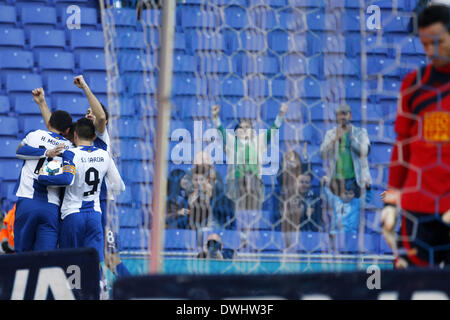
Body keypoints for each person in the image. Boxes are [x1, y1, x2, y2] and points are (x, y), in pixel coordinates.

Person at [381, 3, 450, 268]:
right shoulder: (413, 85)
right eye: (425, 44)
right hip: (418, 208)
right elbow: (402, 146)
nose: (432, 51)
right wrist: (391, 202)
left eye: (439, 42)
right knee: (414, 287)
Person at [37, 118, 125, 267]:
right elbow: (119, 186)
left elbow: (66, 179)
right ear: (94, 137)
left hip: (72, 215)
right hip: (95, 215)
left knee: (71, 262)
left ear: (75, 134)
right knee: (94, 261)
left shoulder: (70, 154)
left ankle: (75, 290)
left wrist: (43, 177)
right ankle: (98, 287)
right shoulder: (104, 155)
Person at [14, 107, 73, 252]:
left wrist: (45, 152)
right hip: (51, 207)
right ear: (67, 130)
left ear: (48, 123)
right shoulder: (70, 147)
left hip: (27, 201)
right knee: (45, 260)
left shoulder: (34, 135)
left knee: (21, 257)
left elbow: (19, 151)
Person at [211, 102, 288, 211]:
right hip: (235, 185)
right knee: (237, 212)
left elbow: (272, 131)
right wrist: (215, 118)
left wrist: (280, 115)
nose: (244, 129)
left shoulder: (259, 141)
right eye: (241, 127)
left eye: (247, 127)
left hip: (255, 185)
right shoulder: (232, 142)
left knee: (254, 212)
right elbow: (221, 131)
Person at [319, 103, 372, 198]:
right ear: (336, 117)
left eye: (345, 114)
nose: (342, 117)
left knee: (355, 210)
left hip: (355, 180)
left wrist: (351, 138)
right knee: (338, 211)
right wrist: (334, 140)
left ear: (350, 116)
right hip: (336, 181)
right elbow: (322, 154)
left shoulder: (361, 133)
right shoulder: (330, 134)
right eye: (339, 114)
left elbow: (364, 152)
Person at [322, 176, 372, 252]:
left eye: (350, 193)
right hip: (336, 233)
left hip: (351, 234)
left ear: (354, 194)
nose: (347, 195)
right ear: (340, 193)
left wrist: (368, 188)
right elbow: (327, 194)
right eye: (345, 193)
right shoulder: (335, 201)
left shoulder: (357, 203)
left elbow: (367, 197)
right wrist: (324, 184)